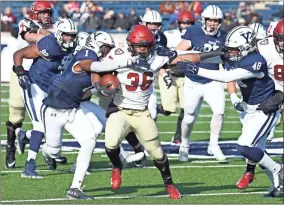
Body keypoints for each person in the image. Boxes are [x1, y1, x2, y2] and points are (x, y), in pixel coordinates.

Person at [77, 24, 223, 199]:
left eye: (145, 46)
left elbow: (186, 58)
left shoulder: (156, 57)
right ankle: (117, 167)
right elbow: (98, 70)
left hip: (142, 112)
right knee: (110, 144)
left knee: (157, 153)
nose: (142, 50)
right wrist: (100, 87)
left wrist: (212, 54)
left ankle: (169, 184)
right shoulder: (119, 55)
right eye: (138, 46)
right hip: (120, 109)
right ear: (130, 45)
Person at [177, 26, 284, 197]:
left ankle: (278, 169)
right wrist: (176, 60)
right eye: (230, 49)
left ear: (247, 47)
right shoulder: (236, 55)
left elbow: (228, 77)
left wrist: (196, 70)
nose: (231, 53)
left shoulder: (256, 60)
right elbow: (204, 57)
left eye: (235, 49)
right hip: (250, 108)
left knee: (244, 146)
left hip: (265, 108)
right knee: (257, 152)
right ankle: (276, 185)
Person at [4, 1, 67, 169]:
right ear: (34, 14)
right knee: (17, 112)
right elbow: (31, 38)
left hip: (46, 75)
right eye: (42, 13)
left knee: (50, 115)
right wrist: (50, 34)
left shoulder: (55, 26)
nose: (46, 15)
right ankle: (11, 148)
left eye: (48, 12)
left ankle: (50, 151)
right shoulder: (26, 23)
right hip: (22, 72)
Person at [13, 18, 78, 178]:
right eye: (67, 35)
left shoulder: (72, 47)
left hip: (51, 88)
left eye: (72, 35)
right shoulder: (50, 44)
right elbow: (19, 54)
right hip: (34, 85)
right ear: (59, 34)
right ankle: (29, 166)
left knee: (53, 126)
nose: (70, 38)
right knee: (40, 127)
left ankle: (24, 135)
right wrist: (20, 72)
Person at [233, 20, 284, 196]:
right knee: (255, 147)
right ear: (274, 37)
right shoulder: (264, 47)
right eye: (281, 39)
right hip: (267, 95)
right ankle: (271, 178)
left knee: (253, 145)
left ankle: (275, 174)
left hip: (277, 95)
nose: (283, 43)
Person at [176, 5, 227, 162]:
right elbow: (179, 52)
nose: (212, 23)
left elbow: (227, 61)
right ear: (204, 20)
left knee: (219, 112)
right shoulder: (193, 31)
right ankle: (184, 145)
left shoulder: (224, 36)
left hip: (213, 79)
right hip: (193, 80)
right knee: (189, 117)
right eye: (210, 20)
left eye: (216, 20)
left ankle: (213, 144)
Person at [162, 11, 195, 144]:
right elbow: (163, 52)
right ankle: (155, 108)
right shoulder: (170, 35)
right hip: (171, 74)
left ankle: (178, 137)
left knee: (186, 109)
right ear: (178, 23)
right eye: (183, 23)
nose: (185, 25)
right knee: (168, 110)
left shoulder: (196, 36)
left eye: (188, 23)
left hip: (187, 76)